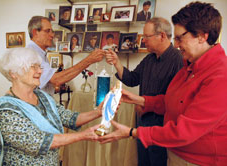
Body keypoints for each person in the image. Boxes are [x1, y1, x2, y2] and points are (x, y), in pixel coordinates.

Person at [101, 2, 227, 166]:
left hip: (193, 157)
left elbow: (185, 131)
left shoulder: (219, 75)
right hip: (171, 148)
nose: (176, 44)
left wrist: (132, 132)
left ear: (203, 36)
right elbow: (170, 101)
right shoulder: (187, 65)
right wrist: (138, 100)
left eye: (180, 38)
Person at [0, 48, 103, 166]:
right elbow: (39, 142)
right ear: (14, 73)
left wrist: (98, 112)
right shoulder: (6, 110)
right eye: (33, 67)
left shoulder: (43, 97)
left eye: (39, 66)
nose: (40, 71)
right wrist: (84, 135)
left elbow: (69, 118)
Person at [105, 17, 183, 166]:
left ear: (162, 36)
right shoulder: (149, 59)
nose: (143, 41)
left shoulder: (178, 60)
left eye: (146, 37)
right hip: (143, 124)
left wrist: (144, 103)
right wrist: (117, 62)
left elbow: (176, 100)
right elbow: (132, 79)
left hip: (163, 128)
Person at [27, 16, 105, 95]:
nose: (52, 35)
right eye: (47, 31)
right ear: (35, 32)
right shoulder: (32, 54)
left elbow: (50, 82)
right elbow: (56, 79)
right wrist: (89, 60)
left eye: (52, 31)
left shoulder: (40, 53)